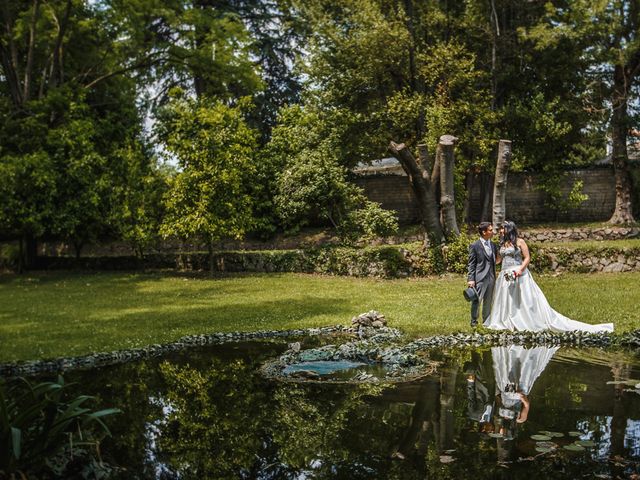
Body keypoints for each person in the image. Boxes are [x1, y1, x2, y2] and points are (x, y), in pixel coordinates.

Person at [483, 221, 613, 332]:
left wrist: (519, 270)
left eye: (502, 229)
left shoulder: (520, 242)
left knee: (523, 299)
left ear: (509, 229)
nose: (500, 231)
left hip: (519, 273)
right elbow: (498, 260)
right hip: (505, 274)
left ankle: (524, 319)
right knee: (506, 299)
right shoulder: (501, 244)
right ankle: (506, 320)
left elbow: (527, 258)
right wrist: (487, 259)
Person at [467, 222, 499, 327]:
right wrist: (471, 279)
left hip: (491, 276)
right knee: (477, 300)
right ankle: (474, 322)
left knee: (488, 301)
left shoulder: (493, 245)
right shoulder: (475, 246)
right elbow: (471, 264)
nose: (492, 232)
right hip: (480, 277)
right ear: (484, 232)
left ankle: (486, 322)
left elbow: (495, 260)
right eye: (490, 230)